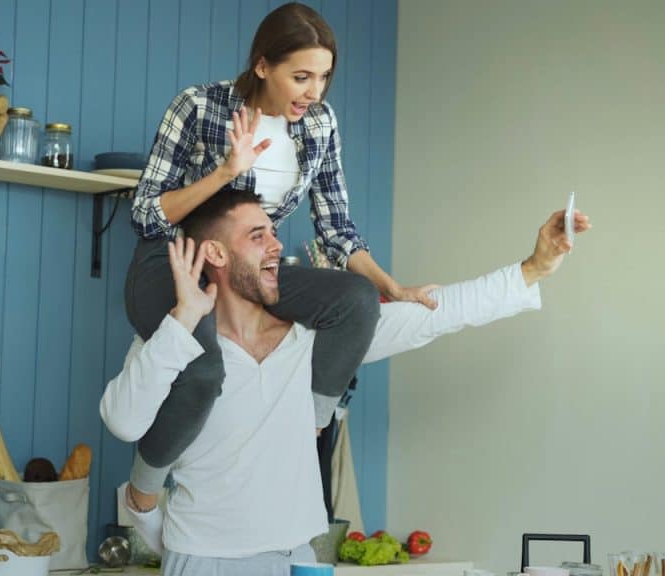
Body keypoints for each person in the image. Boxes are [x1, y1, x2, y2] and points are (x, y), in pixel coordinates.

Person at [101, 189, 591, 575]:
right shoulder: (172, 340)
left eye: (274, 232)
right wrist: (185, 317)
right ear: (215, 253)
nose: (275, 244)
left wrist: (534, 268)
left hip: (298, 558)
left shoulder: (312, 341)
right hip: (201, 560)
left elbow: (433, 317)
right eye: (257, 235)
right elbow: (123, 421)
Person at [124, 2, 438, 515]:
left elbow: (336, 227)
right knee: (204, 370)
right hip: (176, 261)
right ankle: (144, 486)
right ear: (263, 65)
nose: (314, 92)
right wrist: (227, 171)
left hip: (249, 270)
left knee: (357, 301)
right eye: (301, 76)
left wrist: (394, 288)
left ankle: (305, 423)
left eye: (323, 78)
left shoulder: (318, 125)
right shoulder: (199, 106)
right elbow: (145, 214)